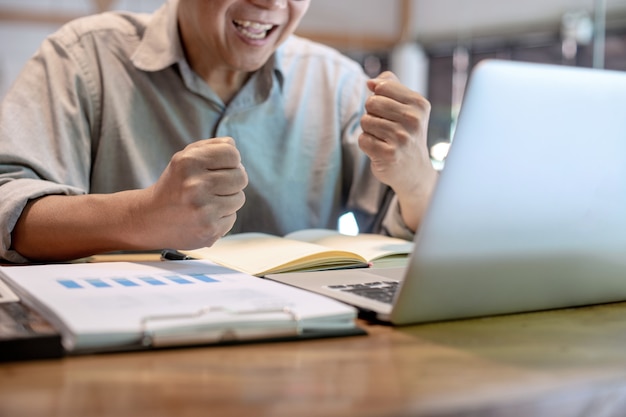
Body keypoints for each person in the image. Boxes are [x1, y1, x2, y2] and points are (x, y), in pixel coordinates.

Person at [0, 0, 438, 263]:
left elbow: (404, 237)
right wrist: (142, 217)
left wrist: (417, 182)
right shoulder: (83, 57)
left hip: (300, 353)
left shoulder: (338, 83)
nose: (271, 2)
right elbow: (7, 204)